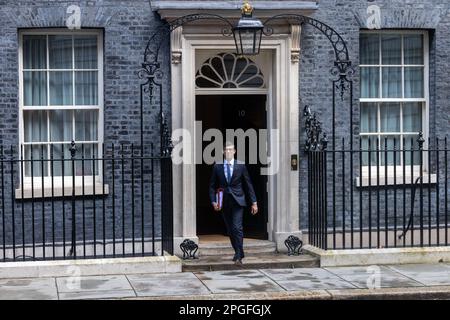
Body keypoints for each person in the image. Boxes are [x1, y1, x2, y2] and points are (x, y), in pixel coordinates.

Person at [209, 141, 258, 265]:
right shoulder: (217, 166)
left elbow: (248, 184)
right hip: (224, 202)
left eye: (231, 149)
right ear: (223, 152)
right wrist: (213, 201)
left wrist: (254, 202)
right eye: (226, 150)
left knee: (237, 227)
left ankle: (238, 254)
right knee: (230, 230)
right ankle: (238, 251)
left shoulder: (240, 165)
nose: (229, 152)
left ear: (235, 151)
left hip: (238, 201)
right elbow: (212, 186)